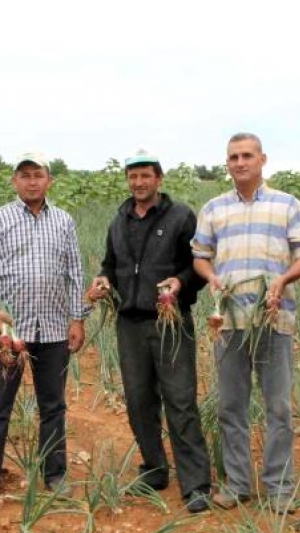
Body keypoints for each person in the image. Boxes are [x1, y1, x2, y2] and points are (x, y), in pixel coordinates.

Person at [192, 133, 300, 512]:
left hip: (273, 319)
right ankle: (237, 484)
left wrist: (282, 279)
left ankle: (279, 488)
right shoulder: (214, 208)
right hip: (229, 323)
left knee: (278, 407)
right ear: (227, 163)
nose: (240, 162)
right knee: (231, 406)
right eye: (233, 157)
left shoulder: (287, 205)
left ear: (262, 159)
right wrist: (211, 277)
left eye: (247, 155)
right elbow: (200, 255)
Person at [87, 150, 212, 513]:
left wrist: (180, 282)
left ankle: (196, 484)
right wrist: (103, 281)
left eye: (145, 176)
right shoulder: (119, 220)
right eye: (133, 176)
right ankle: (155, 469)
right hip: (130, 324)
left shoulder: (180, 216)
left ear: (159, 178)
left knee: (180, 400)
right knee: (139, 401)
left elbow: (197, 265)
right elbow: (110, 264)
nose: (139, 183)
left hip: (170, 320)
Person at [0, 152, 85, 509]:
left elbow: (75, 273)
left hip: (52, 329)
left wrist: (77, 319)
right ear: (14, 181)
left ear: (49, 180)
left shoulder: (63, 221)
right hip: (9, 331)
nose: (32, 181)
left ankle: (55, 473)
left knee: (53, 406)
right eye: (25, 175)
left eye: (38, 175)